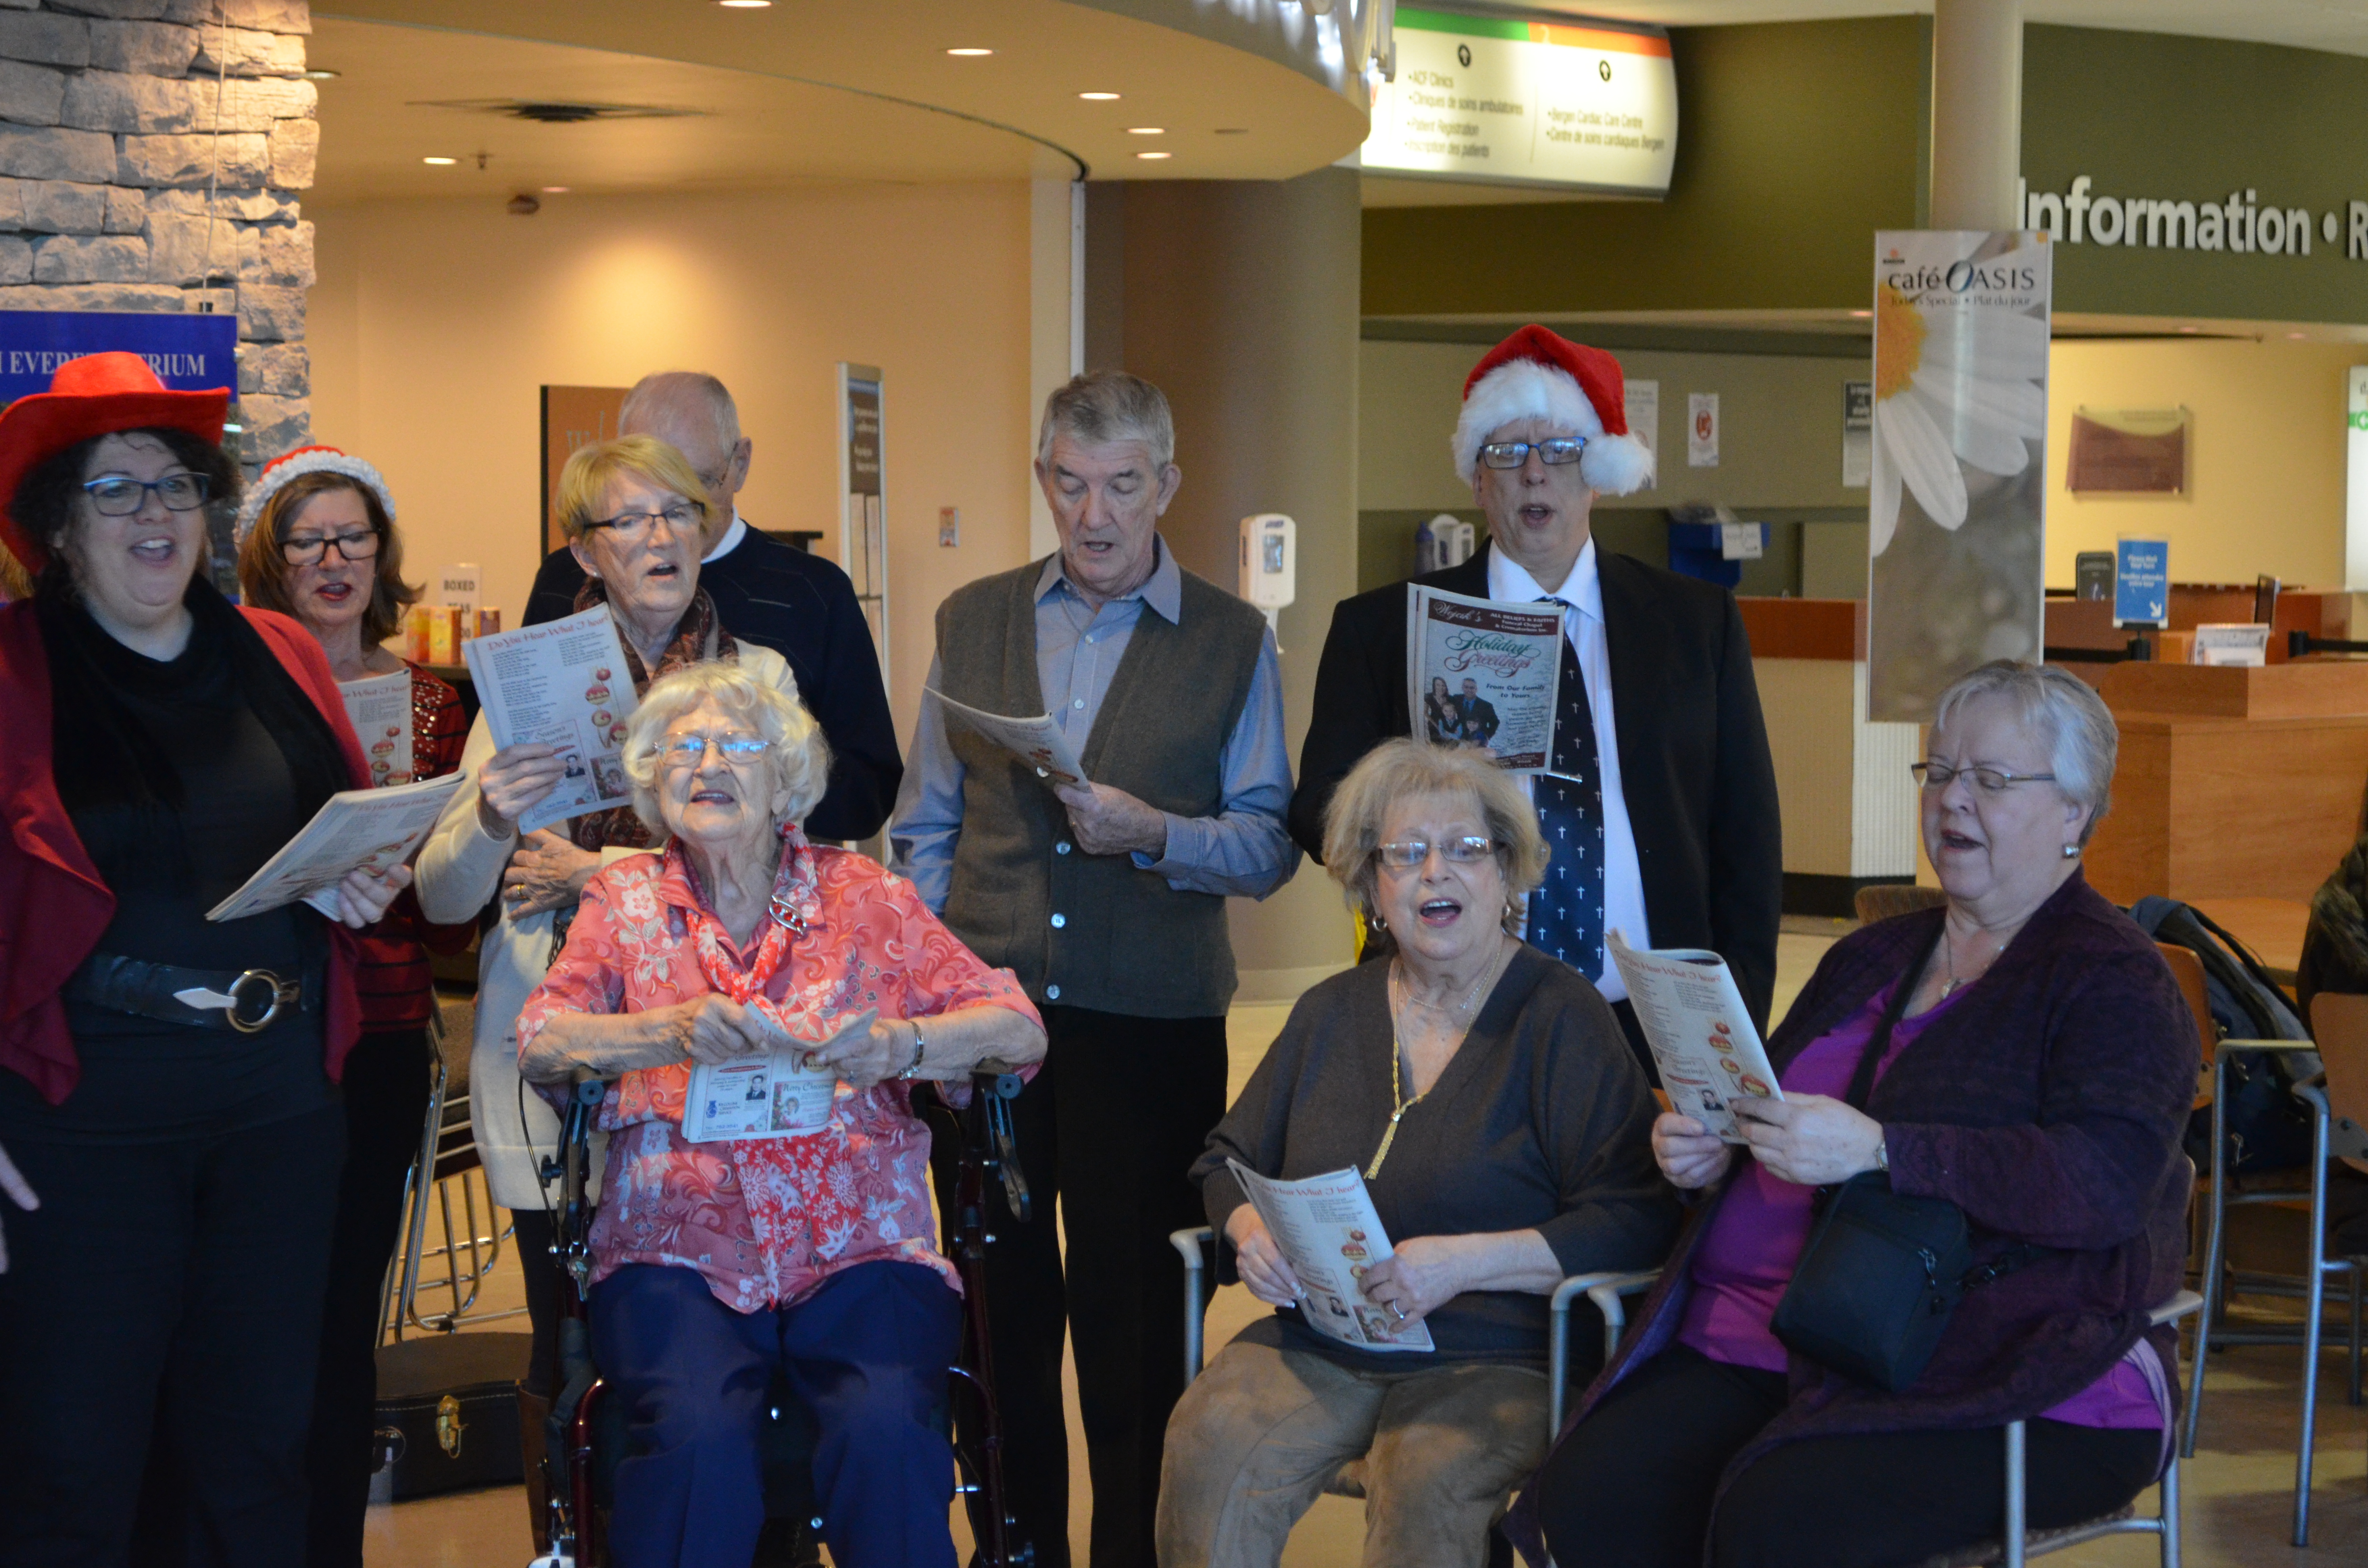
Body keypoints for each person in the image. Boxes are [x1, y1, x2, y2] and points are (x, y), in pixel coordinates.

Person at [1522, 661, 2197, 1568]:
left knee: (1778, 1521)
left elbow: (2104, 1183)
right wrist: (1711, 1151)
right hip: (1773, 1333)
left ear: (2075, 811)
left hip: (1992, 1356)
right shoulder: (1873, 951)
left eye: (1989, 780)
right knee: (1585, 1502)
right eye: (1940, 770)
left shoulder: (2112, 978)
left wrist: (1885, 1150)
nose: (1953, 799)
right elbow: (1777, 1110)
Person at [0, 353, 414, 1565]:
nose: (155, 515)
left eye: (178, 485)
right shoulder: (15, 667)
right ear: (61, 528)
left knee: (260, 1451)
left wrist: (357, 876)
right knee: (73, 1461)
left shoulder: (276, 651)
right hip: (83, 1125)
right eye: (117, 490)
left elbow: (322, 839)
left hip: (279, 1108)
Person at [889, 370, 1300, 1568]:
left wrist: (1158, 834)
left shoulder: (1231, 639)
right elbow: (926, 825)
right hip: (989, 1031)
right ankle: (1015, 1553)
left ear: (1166, 485)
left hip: (1149, 1032)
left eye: (1123, 485)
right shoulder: (974, 618)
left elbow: (1271, 843)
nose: (1096, 514)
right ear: (1044, 480)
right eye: (1071, 484)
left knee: (1135, 1329)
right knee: (995, 1315)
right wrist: (925, 993)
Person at [514, 660, 1047, 1568]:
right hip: (674, 1245)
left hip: (861, 1241)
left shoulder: (866, 896)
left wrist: (900, 1046)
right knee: (692, 1433)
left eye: (736, 743)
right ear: (653, 774)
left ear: (785, 776)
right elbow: (542, 1039)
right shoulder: (623, 899)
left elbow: (1016, 1025)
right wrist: (663, 1031)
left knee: (884, 1423)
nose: (707, 762)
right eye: (683, 746)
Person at [412, 434, 805, 1548]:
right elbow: (445, 899)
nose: (658, 538)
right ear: (585, 554)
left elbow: (782, 867)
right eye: (626, 522)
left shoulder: (759, 677)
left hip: (715, 1064)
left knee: (718, 1341)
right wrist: (492, 815)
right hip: (562, 1069)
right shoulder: (528, 683)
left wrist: (601, 875)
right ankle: (578, 1537)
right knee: (567, 1342)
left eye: (676, 513)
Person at [1159, 740, 1676, 1568]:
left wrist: (1463, 1263)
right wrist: (1250, 1224)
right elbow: (1225, 1156)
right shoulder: (1329, 1011)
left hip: (1499, 1349)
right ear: (1371, 884)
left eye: (1466, 849)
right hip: (1323, 1337)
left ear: (1506, 873)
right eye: (1404, 852)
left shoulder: (1560, 1015)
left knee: (1424, 1479)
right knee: (1207, 1436)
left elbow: (1636, 1218)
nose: (1435, 872)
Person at [1291, 325, 1781, 1078]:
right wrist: (1426, 779)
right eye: (1505, 453)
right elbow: (1319, 811)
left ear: (1596, 472)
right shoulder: (1385, 628)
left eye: (1557, 451)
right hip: (1454, 1016)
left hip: (1656, 1024)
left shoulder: (1694, 623)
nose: (1532, 476)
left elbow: (1747, 835)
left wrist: (1738, 1008)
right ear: (1476, 480)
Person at [233, 444, 472, 1568]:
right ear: (271, 560)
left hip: (380, 1038)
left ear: (383, 553)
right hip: (264, 1040)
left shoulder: (434, 700)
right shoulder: (233, 681)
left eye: (353, 538)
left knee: (343, 1317)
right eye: (308, 540)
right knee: (247, 1321)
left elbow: (449, 921)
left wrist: (443, 853)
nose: (333, 560)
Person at [522, 371, 900, 843]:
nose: (665, 526)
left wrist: (747, 812)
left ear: (739, 463)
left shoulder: (813, 593)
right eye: (641, 483)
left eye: (692, 487)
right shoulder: (564, 579)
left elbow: (868, 787)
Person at [1454, 677, 1499, 747]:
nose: (1469, 690)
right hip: (1458, 741)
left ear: (1476, 689)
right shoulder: (1456, 699)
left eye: (1472, 688)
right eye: (1466, 687)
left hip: (1477, 743)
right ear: (1462, 687)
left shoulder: (1486, 706)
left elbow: (1495, 722)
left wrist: (1486, 737)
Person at [1423, 675, 1456, 745]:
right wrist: (1436, 725)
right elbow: (1425, 712)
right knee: (1436, 746)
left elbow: (1454, 713)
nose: (1441, 688)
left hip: (1447, 726)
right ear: (1434, 686)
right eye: (1438, 685)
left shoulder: (1450, 698)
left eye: (1443, 686)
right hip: (1434, 725)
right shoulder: (1429, 697)